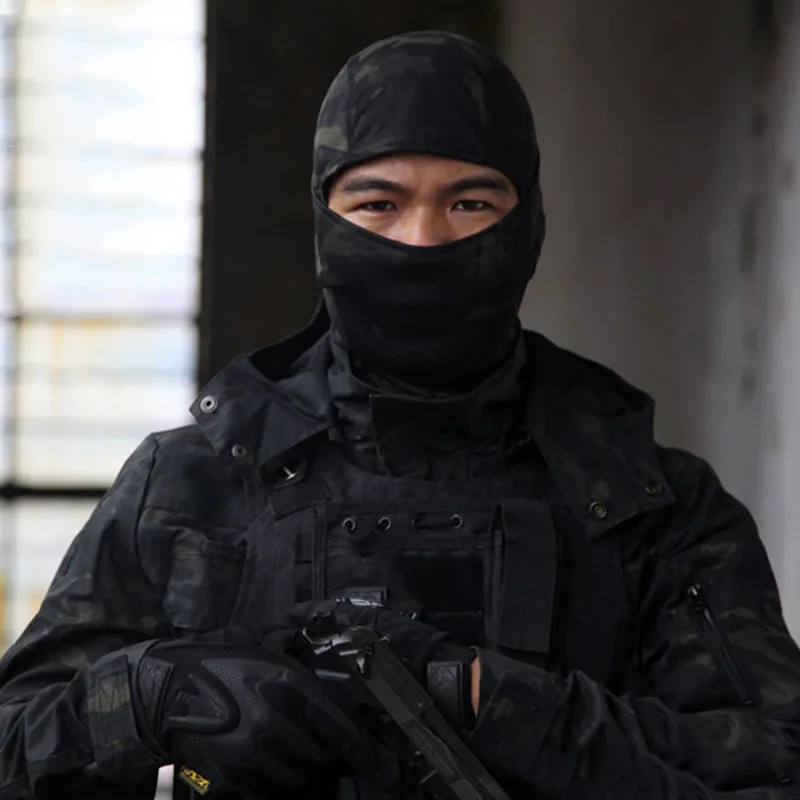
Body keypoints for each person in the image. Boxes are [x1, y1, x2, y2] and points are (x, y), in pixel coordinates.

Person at [0, 29, 799, 800]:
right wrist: (145, 697)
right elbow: (13, 750)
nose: (422, 241)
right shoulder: (187, 487)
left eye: (470, 202)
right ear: (324, 221)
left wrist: (486, 698)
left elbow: (770, 766)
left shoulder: (649, 508)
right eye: (377, 203)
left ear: (528, 223)